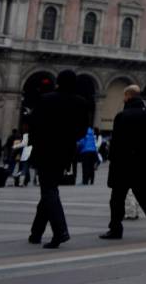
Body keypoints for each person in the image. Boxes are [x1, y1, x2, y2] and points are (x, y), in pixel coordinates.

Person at [27, 70, 88, 248]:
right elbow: (83, 131)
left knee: (49, 190)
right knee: (49, 189)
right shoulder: (81, 102)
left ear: (58, 82)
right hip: (66, 152)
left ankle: (60, 231)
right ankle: (36, 233)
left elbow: (34, 124)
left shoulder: (46, 99)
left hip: (45, 150)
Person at [100, 85, 146, 241]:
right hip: (142, 162)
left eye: (124, 96)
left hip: (123, 163)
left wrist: (112, 160)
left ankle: (115, 229)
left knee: (117, 197)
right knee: (143, 195)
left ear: (128, 96)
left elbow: (116, 143)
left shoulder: (123, 116)